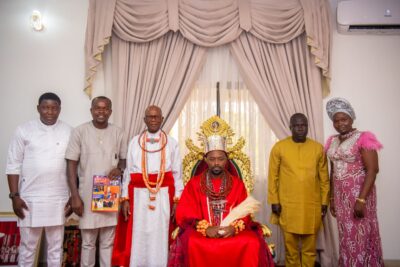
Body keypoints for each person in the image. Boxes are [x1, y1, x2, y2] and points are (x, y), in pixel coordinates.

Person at [168, 134, 274, 267]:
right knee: (192, 242)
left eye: (220, 159)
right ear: (206, 160)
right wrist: (206, 228)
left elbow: (245, 214)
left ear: (227, 160)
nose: (216, 163)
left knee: (251, 242)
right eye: (212, 159)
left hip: (231, 232)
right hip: (203, 233)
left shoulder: (237, 184)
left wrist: (233, 228)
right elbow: (185, 213)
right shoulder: (194, 184)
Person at [112, 105, 183, 267]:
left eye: (156, 117)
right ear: (144, 120)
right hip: (138, 196)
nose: (153, 120)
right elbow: (128, 173)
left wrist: (177, 200)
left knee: (160, 234)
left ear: (162, 119)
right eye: (150, 117)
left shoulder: (172, 143)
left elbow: (178, 174)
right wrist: (125, 198)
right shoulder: (134, 142)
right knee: (140, 234)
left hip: (164, 194)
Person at [6, 92, 71, 266]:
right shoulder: (23, 130)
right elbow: (13, 165)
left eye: (54, 108)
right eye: (45, 108)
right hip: (29, 199)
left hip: (59, 198)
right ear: (38, 108)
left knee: (56, 249)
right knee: (27, 247)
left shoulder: (68, 131)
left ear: (59, 109)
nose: (49, 112)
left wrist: (73, 196)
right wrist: (14, 196)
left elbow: (74, 167)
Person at [66, 96, 127, 267]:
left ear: (110, 111)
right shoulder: (79, 131)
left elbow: (123, 161)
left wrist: (119, 169)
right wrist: (75, 196)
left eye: (105, 108)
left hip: (109, 192)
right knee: (88, 243)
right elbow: (71, 165)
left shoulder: (118, 132)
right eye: (97, 108)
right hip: (86, 194)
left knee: (108, 243)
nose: (101, 111)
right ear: (91, 110)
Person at [325, 98, 384, 266]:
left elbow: (373, 170)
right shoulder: (332, 141)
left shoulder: (363, 138)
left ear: (351, 118)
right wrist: (332, 199)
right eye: (336, 120)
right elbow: (333, 171)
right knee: (346, 235)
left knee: (361, 234)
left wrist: (362, 199)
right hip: (341, 197)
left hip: (359, 196)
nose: (340, 123)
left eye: (344, 119)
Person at [267, 113, 329, 267]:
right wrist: (274, 201)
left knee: (309, 249)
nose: (300, 128)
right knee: (291, 249)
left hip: (311, 206)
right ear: (290, 127)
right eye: (297, 125)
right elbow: (272, 177)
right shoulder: (279, 147)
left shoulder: (318, 149)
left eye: (304, 125)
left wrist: (324, 202)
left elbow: (324, 179)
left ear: (307, 127)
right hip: (288, 205)